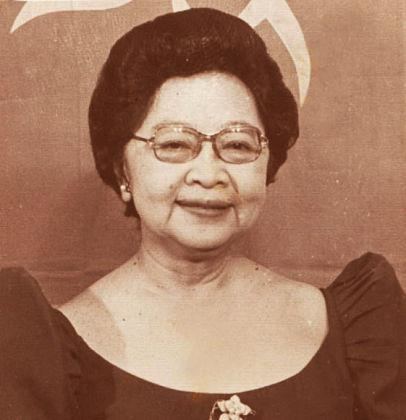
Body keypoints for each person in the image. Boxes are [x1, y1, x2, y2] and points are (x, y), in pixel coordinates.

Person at [0, 8, 404, 420]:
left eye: (238, 145)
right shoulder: (49, 353)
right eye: (174, 144)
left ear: (267, 165)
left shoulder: (352, 326)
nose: (209, 175)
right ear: (123, 170)